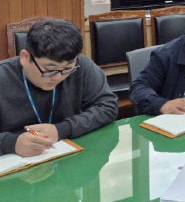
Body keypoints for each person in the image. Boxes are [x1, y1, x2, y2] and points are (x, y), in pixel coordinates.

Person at [0, 19, 118, 156]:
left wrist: (62, 129)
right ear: (25, 57)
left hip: (65, 155)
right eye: (49, 70)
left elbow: (108, 107)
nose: (58, 77)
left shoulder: (82, 66)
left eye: (67, 69)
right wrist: (11, 143)